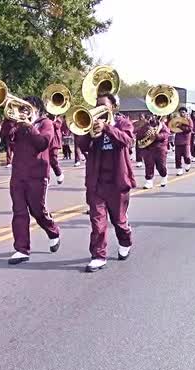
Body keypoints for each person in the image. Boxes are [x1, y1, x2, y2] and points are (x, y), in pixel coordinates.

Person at [76, 93, 135, 272]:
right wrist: (88, 133)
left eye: (102, 104)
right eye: (96, 103)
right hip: (96, 181)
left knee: (119, 221)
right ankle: (98, 255)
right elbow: (83, 146)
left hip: (117, 181)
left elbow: (127, 141)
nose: (98, 107)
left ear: (113, 107)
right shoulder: (92, 124)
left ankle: (125, 241)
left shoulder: (123, 122)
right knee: (97, 222)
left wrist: (107, 127)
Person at [7, 96, 61, 265]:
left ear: (36, 109)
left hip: (37, 174)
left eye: (26, 108)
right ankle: (21, 249)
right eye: (21, 108)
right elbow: (8, 140)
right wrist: (11, 124)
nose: (22, 112)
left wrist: (30, 127)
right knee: (19, 212)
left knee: (38, 211)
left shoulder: (46, 124)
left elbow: (42, 144)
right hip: (18, 174)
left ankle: (53, 231)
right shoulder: (18, 125)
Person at [136, 110, 169, 189]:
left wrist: (156, 135)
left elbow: (165, 135)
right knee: (148, 165)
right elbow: (139, 135)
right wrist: (145, 132)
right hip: (148, 149)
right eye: (151, 116)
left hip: (160, 148)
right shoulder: (145, 126)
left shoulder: (162, 125)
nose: (152, 117)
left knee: (161, 166)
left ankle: (164, 176)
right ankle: (149, 181)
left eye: (154, 115)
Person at [173, 107, 193, 176]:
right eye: (180, 112)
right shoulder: (177, 120)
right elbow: (172, 128)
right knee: (177, 157)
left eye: (183, 112)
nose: (182, 114)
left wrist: (180, 126)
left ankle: (188, 164)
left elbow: (189, 129)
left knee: (186, 156)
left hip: (185, 141)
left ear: (186, 113)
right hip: (177, 141)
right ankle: (179, 169)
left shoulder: (189, 120)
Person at [49, 115, 64, 184]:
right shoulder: (45, 115)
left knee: (53, 160)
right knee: (45, 162)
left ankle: (59, 174)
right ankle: (46, 179)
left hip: (54, 142)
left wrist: (48, 122)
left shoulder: (58, 117)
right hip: (46, 140)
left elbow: (57, 125)